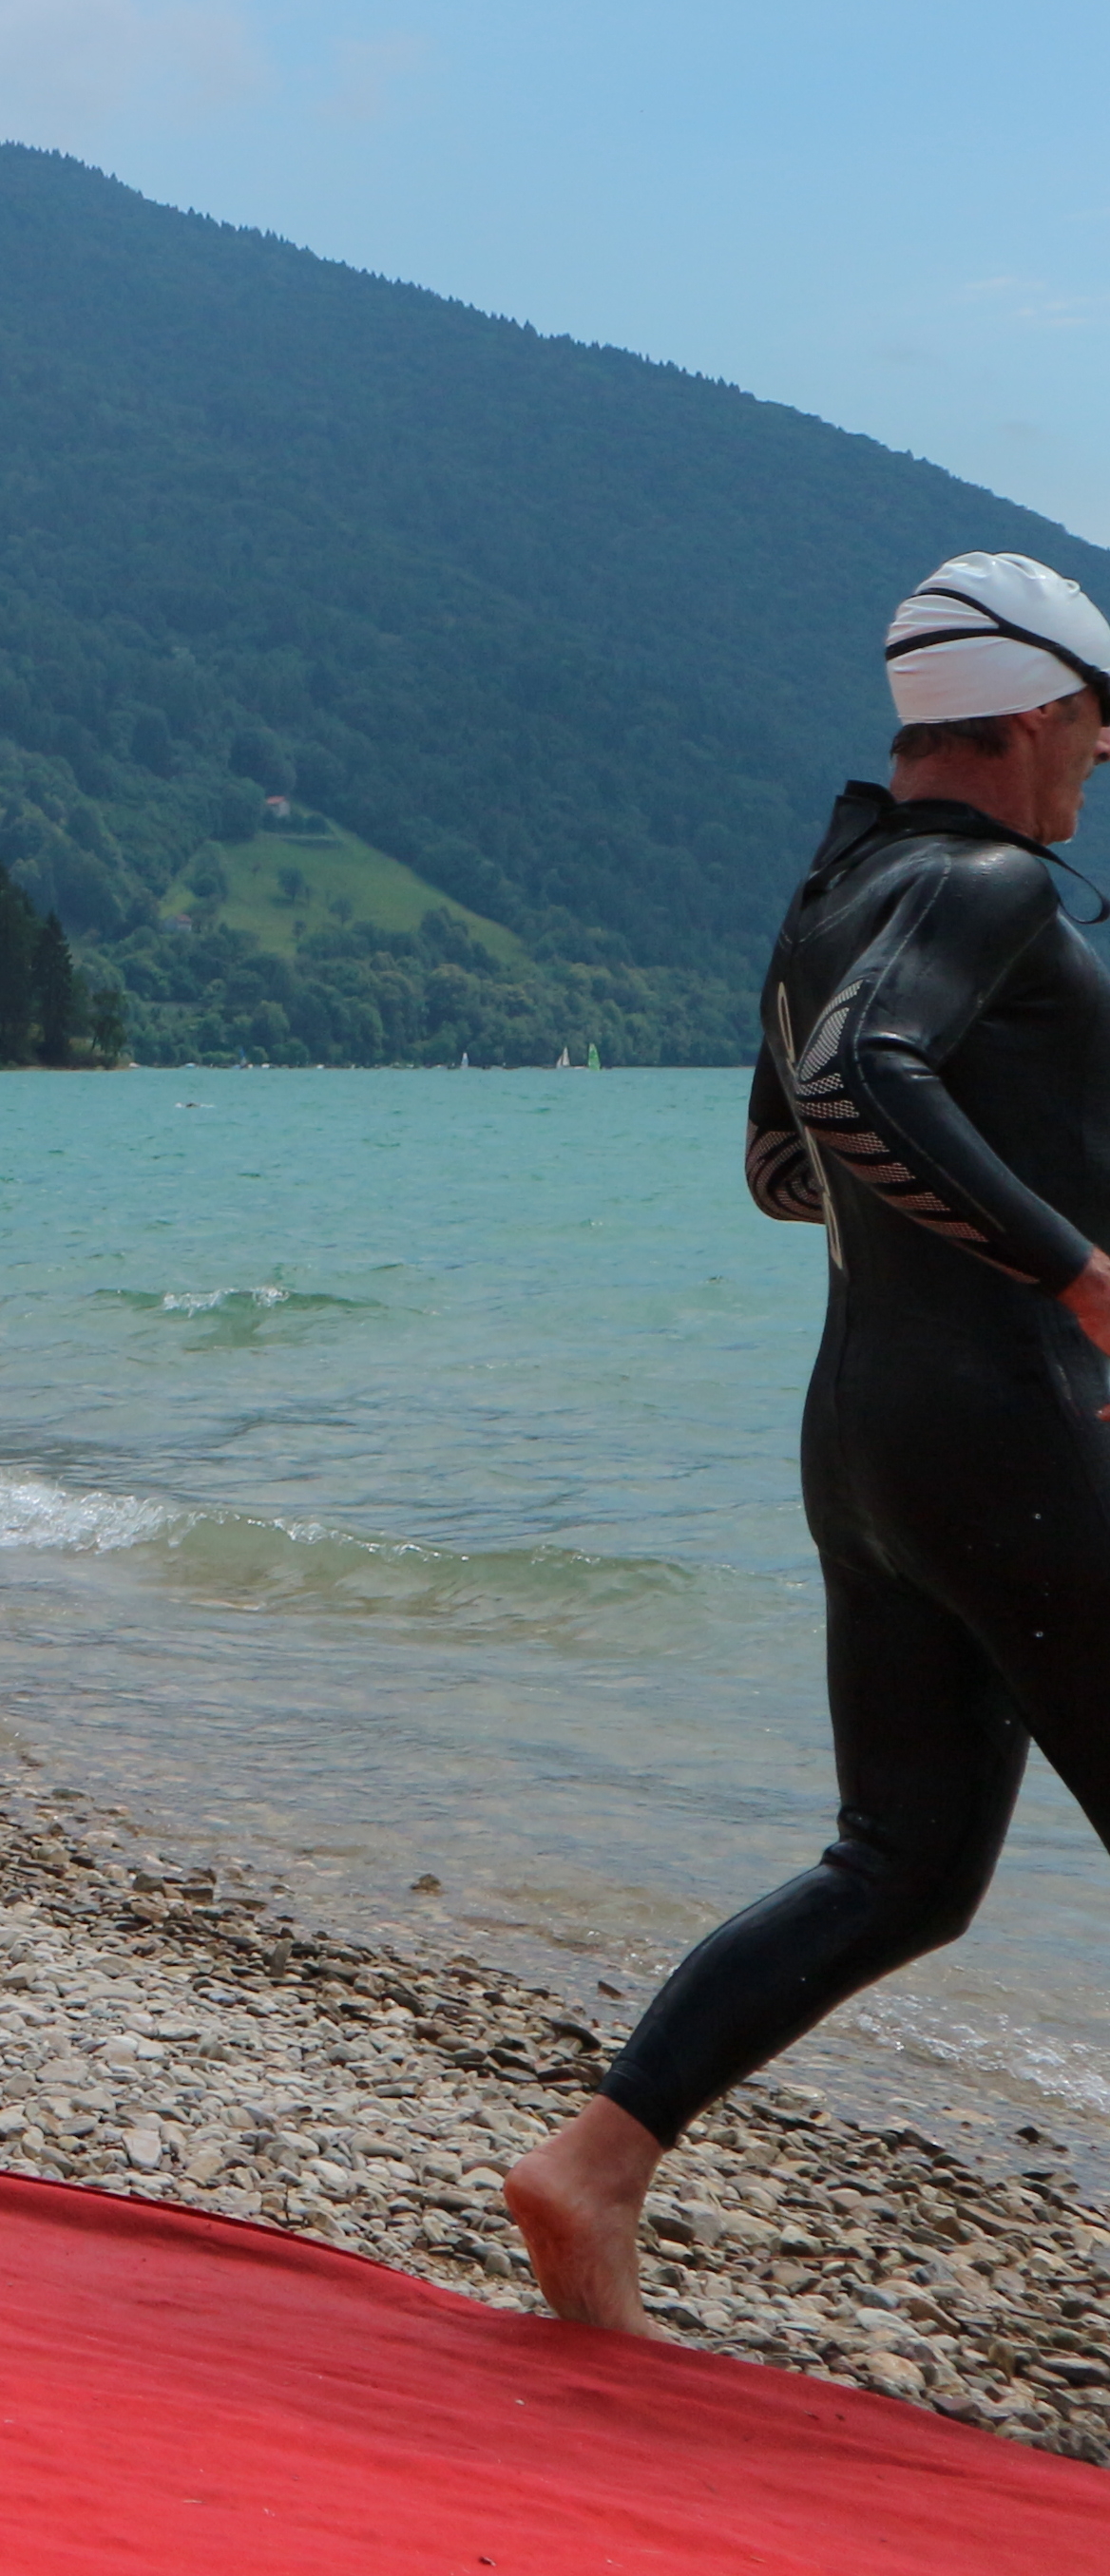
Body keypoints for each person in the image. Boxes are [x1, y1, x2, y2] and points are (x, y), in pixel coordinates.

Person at [507, 553, 1110, 2335]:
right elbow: (856, 1085)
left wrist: (982, 1215)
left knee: (902, 1866)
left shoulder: (832, 893)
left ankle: (589, 2165)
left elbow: (784, 1164)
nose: (1097, 761)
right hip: (1003, 1426)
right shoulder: (985, 881)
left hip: (864, 1440)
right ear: (1022, 717)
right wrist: (1074, 1273)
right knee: (902, 1860)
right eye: (1096, 721)